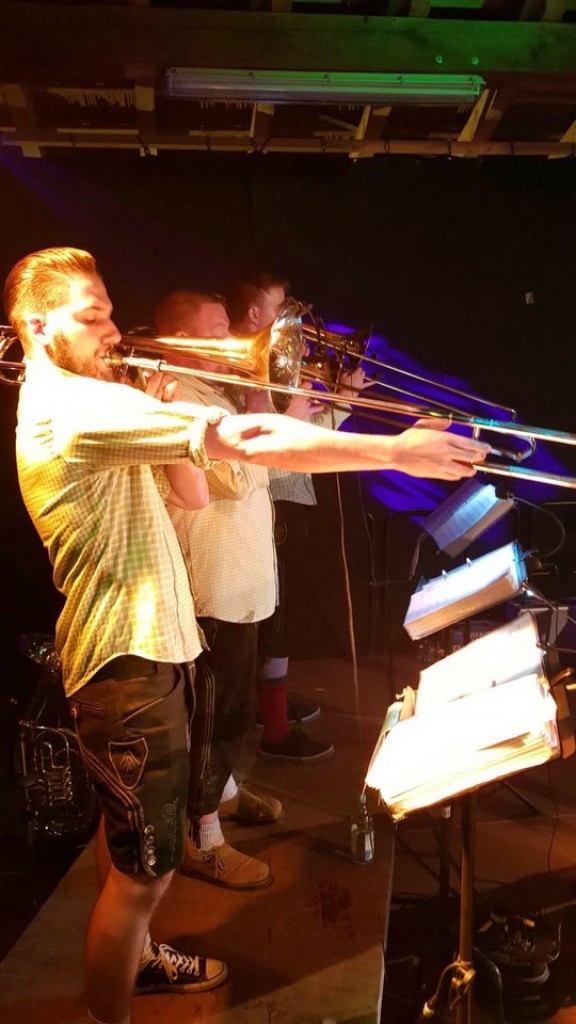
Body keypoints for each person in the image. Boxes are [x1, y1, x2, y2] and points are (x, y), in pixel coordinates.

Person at [4, 246, 488, 1024]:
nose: (112, 330)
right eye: (91, 317)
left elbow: (193, 494)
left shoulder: (99, 400)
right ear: (35, 326)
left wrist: (164, 408)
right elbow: (249, 442)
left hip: (154, 647)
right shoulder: (72, 408)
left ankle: (141, 955)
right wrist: (394, 452)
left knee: (130, 842)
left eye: (109, 312)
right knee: (145, 876)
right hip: (128, 663)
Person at [154, 288, 281, 892]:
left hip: (243, 577)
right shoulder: (177, 400)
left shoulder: (219, 393)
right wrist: (260, 396)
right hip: (213, 586)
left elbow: (278, 462)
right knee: (216, 714)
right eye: (217, 331)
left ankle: (222, 791)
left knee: (230, 709)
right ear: (180, 340)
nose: (232, 342)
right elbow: (238, 478)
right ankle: (201, 835)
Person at [227, 270, 369, 762]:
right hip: (267, 504)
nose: (289, 317)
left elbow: (306, 437)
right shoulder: (237, 368)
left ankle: (273, 709)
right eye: (278, 307)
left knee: (283, 617)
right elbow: (251, 451)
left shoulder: (275, 362)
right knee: (275, 621)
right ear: (253, 313)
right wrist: (292, 418)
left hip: (289, 502)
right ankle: (275, 731)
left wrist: (343, 398)